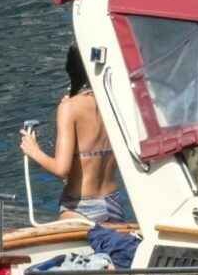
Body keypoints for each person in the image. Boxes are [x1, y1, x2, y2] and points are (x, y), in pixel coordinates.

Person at [19, 44, 124, 224]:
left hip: (80, 207)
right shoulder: (117, 100)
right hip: (112, 202)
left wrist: (33, 150)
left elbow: (62, 169)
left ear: (72, 69)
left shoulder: (69, 108)